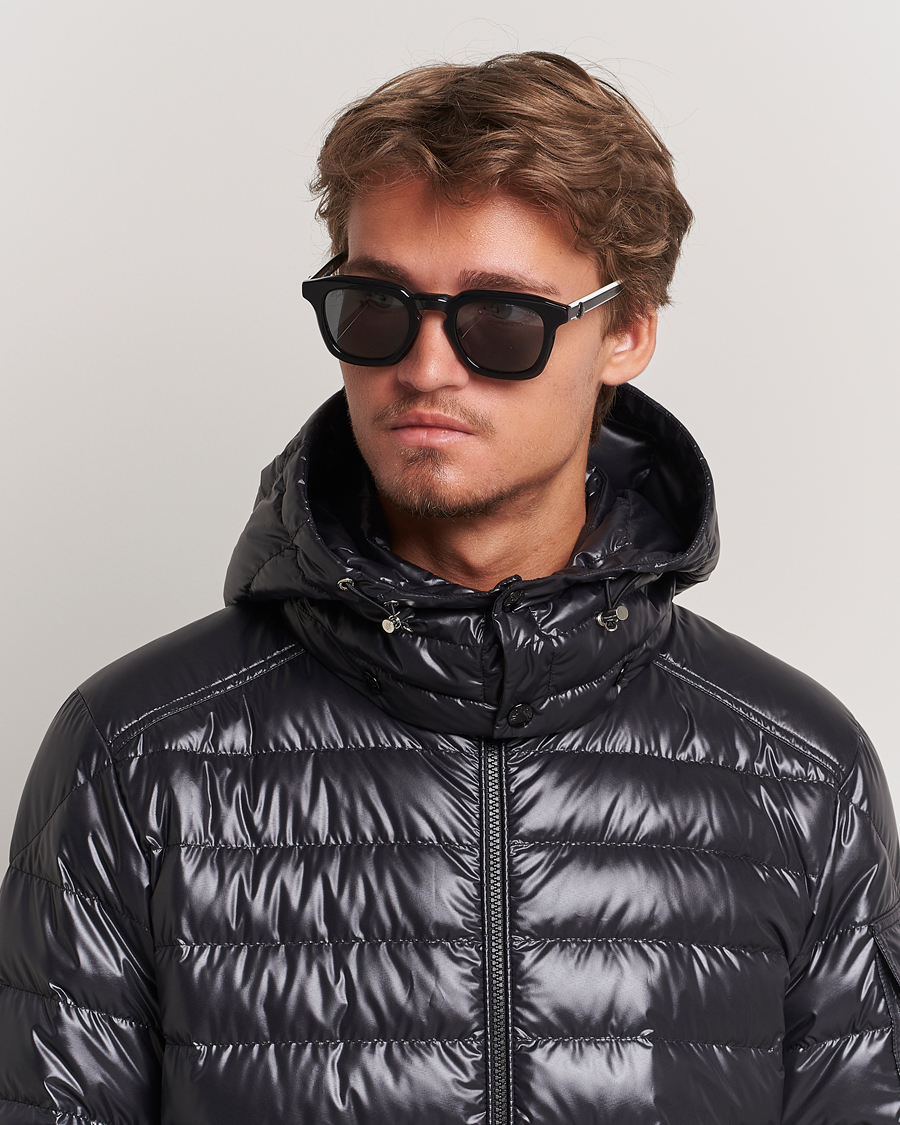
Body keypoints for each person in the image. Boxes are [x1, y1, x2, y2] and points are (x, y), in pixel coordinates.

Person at [0, 50, 898, 1125]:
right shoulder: (137, 755)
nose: (425, 368)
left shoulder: (803, 774)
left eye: (501, 319)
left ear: (625, 332)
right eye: (375, 307)